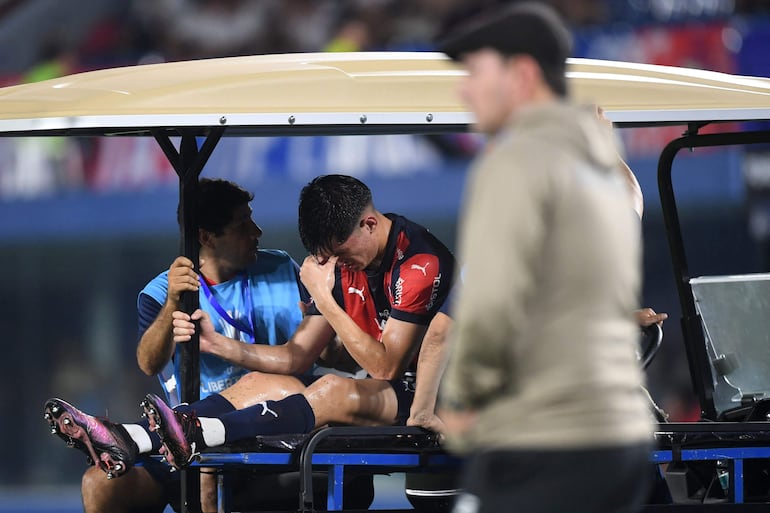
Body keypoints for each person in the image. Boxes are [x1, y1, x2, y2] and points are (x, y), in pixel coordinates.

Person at [44, 174, 455, 480]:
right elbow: (298, 355)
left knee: (327, 389)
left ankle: (193, 432)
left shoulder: (419, 263)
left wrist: (325, 299)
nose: (336, 261)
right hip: (378, 389)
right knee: (264, 380)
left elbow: (385, 368)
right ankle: (134, 436)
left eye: (340, 250)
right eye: (327, 253)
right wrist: (219, 345)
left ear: (367, 224)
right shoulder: (344, 260)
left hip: (435, 396)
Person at [435, 4, 654, 513]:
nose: (464, 89)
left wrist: (463, 398)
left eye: (475, 72)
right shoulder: (603, 168)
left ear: (523, 73)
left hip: (548, 435)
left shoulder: (518, 159)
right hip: (619, 434)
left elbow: (490, 305)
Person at [51, 178, 309, 513]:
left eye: (252, 219)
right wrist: (174, 301)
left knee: (211, 475)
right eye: (242, 224)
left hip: (264, 435)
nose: (256, 231)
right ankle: (150, 437)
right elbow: (148, 362)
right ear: (205, 237)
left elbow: (312, 353)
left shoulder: (283, 269)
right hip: (178, 449)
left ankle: (131, 435)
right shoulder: (161, 292)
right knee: (98, 484)